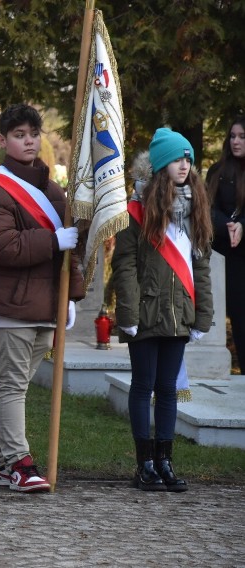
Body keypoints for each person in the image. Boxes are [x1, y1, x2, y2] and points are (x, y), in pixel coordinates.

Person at [0, 104, 85, 493]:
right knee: (14, 385)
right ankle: (20, 464)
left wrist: (70, 296)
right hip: (10, 304)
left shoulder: (53, 189)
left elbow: (71, 251)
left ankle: (0, 465)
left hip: (44, 304)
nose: (29, 141)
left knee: (13, 384)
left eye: (34, 134)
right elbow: (4, 247)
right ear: (3, 141)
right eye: (20, 135)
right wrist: (53, 240)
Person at [112, 128, 213, 492]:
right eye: (175, 159)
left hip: (179, 315)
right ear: (159, 165)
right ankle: (145, 466)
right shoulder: (136, 210)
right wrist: (129, 314)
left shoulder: (195, 209)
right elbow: (124, 265)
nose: (183, 165)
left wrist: (203, 316)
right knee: (143, 387)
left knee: (168, 389)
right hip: (146, 314)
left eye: (187, 158)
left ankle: (165, 462)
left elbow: (199, 265)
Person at [206, 117, 245, 373]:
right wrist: (228, 226)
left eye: (242, 136)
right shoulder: (217, 170)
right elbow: (208, 207)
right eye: (232, 136)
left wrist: (243, 224)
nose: (236, 141)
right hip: (224, 254)